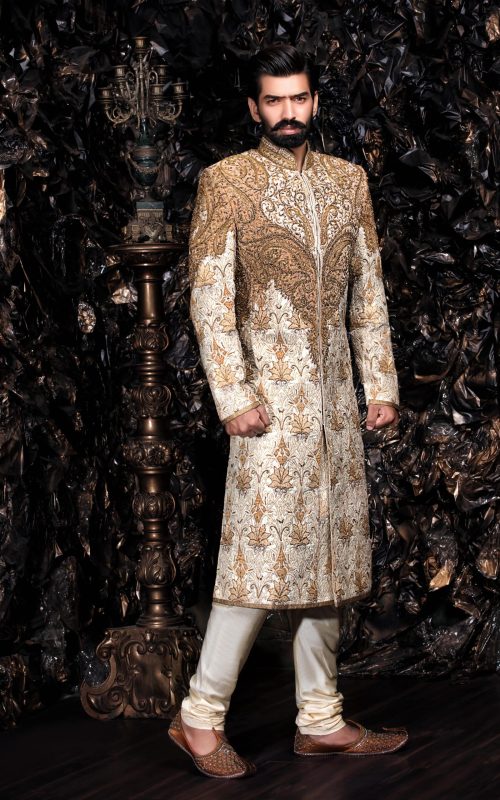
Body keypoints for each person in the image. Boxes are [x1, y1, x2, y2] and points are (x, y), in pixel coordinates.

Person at [168, 43, 408, 779]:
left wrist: (383, 386)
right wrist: (233, 398)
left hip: (336, 407)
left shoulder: (347, 182)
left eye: (299, 98)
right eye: (274, 101)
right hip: (269, 407)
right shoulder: (227, 182)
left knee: (328, 561)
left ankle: (321, 717)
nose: (289, 113)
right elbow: (210, 299)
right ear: (254, 108)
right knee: (261, 560)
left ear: (313, 101)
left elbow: (367, 294)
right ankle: (198, 716)